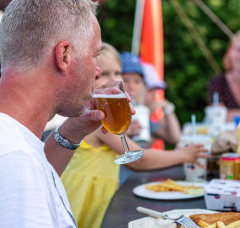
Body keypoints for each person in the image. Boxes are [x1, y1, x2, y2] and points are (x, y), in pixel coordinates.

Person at [60, 42, 209, 228]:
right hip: (81, 198)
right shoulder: (95, 116)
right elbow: (138, 160)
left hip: (102, 196)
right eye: (105, 74)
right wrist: (184, 155)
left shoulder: (107, 115)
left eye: (117, 73)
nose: (113, 79)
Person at [0, 0, 106, 227]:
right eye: (95, 55)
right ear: (64, 56)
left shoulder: (14, 144)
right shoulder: (16, 161)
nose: (98, 72)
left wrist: (72, 131)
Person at [120, 52, 181, 147]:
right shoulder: (113, 113)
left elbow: (174, 138)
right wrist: (122, 133)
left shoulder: (141, 113)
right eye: (125, 80)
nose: (131, 86)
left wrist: (168, 108)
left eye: (137, 81)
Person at [208, 31, 240, 122]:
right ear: (230, 52)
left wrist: (230, 114)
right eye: (239, 50)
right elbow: (216, 116)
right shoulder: (217, 83)